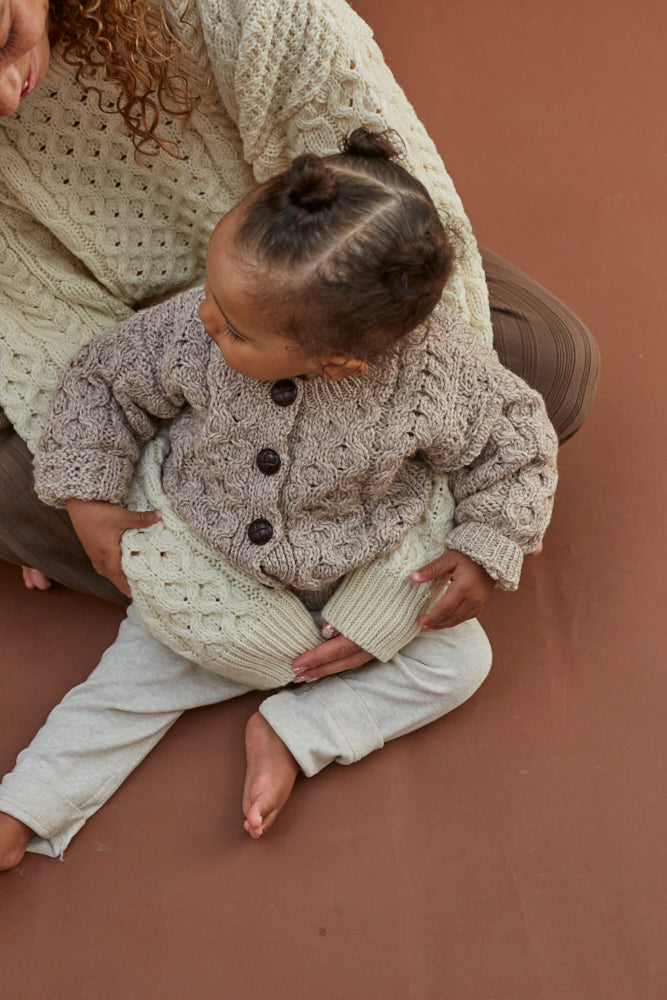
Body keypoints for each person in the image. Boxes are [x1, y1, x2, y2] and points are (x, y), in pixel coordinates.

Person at [0, 130, 558, 869]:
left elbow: (516, 439)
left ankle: (296, 734)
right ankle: (23, 810)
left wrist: (484, 547)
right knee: (124, 688)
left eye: (234, 327)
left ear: (337, 363)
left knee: (459, 665)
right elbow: (102, 379)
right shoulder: (191, 331)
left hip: (367, 560)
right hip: (210, 554)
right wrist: (87, 496)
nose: (204, 319)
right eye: (210, 293)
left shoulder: (436, 375)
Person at [0, 0, 597, 616]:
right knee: (62, 474)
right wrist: (88, 490)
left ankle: (252, 606)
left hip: (328, 278)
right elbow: (80, 356)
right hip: (122, 339)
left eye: (1, 39)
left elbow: (379, 198)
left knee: (549, 361)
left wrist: (491, 532)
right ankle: (281, 596)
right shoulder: (189, 328)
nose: (6, 97)